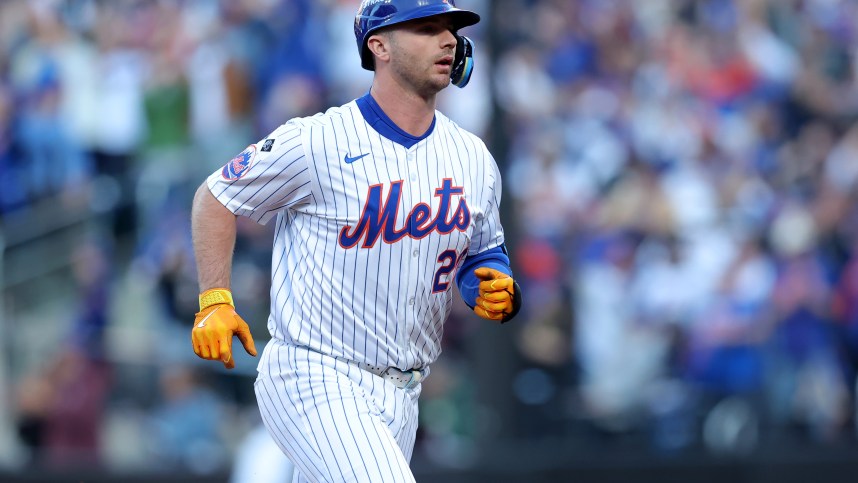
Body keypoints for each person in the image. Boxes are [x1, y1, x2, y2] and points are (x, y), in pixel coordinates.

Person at [190, 1, 522, 481]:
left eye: (450, 29)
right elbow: (216, 196)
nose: (448, 40)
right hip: (314, 375)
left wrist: (492, 284)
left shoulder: (472, 157)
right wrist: (214, 297)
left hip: (405, 392)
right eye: (427, 29)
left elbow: (483, 253)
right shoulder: (318, 140)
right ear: (379, 45)